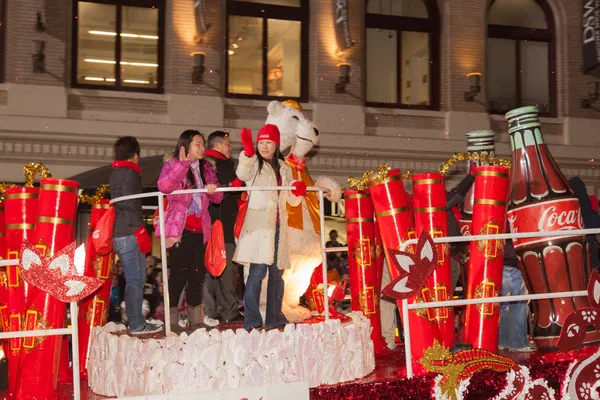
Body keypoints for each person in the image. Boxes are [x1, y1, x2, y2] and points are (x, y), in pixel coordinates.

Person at [233, 124, 305, 331]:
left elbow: (292, 202)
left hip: (278, 229)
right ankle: (252, 321)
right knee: (256, 275)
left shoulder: (285, 168)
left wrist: (297, 191)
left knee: (277, 276)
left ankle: (274, 317)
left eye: (268, 142)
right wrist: (247, 153)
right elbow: (243, 173)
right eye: (261, 142)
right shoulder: (254, 163)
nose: (264, 146)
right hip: (258, 230)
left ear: (276, 144)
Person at [156, 130, 223, 332]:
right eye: (197, 144)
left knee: (197, 276)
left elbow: (218, 198)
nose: (202, 148)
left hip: (200, 230)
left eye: (203, 145)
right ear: (185, 146)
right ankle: (172, 321)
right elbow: (164, 186)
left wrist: (213, 191)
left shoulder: (207, 168)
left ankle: (196, 320)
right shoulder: (173, 165)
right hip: (180, 229)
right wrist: (183, 165)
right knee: (178, 275)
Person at [109, 136, 162, 334]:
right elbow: (130, 205)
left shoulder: (115, 173)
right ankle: (137, 323)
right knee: (135, 281)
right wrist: (140, 230)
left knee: (134, 280)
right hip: (129, 233)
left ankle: (136, 321)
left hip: (122, 233)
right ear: (135, 155)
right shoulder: (129, 173)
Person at [202, 131, 245, 326]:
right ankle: (229, 309)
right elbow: (233, 190)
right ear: (219, 145)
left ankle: (209, 310)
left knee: (210, 267)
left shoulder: (201, 165)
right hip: (226, 224)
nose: (230, 148)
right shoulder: (224, 165)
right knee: (227, 268)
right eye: (228, 144)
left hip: (206, 224)